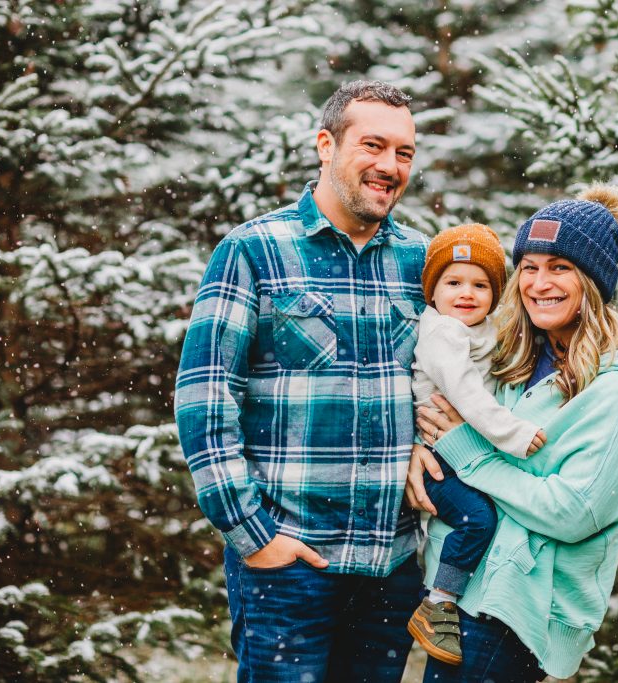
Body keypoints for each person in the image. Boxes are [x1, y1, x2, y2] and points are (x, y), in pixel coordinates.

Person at [175, 81, 429, 683]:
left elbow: (449, 381)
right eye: (373, 146)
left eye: (404, 153)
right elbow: (205, 399)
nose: (389, 167)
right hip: (288, 566)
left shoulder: (423, 261)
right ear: (325, 145)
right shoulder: (255, 250)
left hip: (390, 569)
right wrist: (254, 534)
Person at [409, 185, 618, 682]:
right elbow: (438, 411)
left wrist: (469, 454)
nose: (538, 282)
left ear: (592, 281)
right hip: (466, 594)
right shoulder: (511, 363)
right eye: (529, 267)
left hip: (518, 610)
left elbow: (572, 513)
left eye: (559, 267)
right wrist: (420, 452)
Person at [406, 223, 547, 665]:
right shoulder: (442, 334)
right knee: (478, 519)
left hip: (459, 449)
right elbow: (467, 393)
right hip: (436, 455)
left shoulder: (480, 328)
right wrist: (515, 434)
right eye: (453, 282)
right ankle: (439, 603)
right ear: (433, 291)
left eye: (480, 284)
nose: (466, 293)